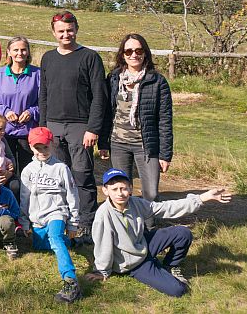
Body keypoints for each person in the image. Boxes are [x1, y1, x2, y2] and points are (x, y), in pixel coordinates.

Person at [86, 168, 231, 297]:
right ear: (105, 191)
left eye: (123, 188)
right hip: (131, 263)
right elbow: (103, 245)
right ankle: (154, 269)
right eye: (115, 189)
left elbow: (166, 208)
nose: (120, 193)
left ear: (130, 188)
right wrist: (102, 271)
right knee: (178, 290)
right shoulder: (103, 215)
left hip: (143, 245)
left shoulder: (136, 203)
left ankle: (171, 265)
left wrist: (202, 198)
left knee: (183, 233)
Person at [39, 11, 107, 244]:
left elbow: (100, 96)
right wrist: (42, 129)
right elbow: (44, 95)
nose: (66, 34)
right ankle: (62, 218)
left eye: (70, 30)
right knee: (59, 176)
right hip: (54, 126)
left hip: (80, 126)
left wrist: (93, 128)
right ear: (54, 32)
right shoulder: (48, 58)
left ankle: (87, 224)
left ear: (76, 29)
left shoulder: (89, 57)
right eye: (61, 31)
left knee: (83, 176)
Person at [99, 34, 173, 220]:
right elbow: (107, 112)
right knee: (121, 192)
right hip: (118, 144)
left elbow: (165, 120)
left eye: (138, 50)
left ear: (145, 53)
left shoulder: (157, 81)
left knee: (151, 193)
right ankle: (126, 228)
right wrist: (103, 142)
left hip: (146, 146)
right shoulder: (114, 78)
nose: (134, 55)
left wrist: (165, 154)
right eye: (129, 51)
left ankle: (149, 231)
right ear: (122, 55)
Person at [19, 127, 82, 304]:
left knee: (55, 238)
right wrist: (24, 222)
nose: (42, 152)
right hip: (37, 218)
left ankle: (70, 279)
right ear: (31, 147)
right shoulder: (27, 171)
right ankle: (71, 242)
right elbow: (24, 198)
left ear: (52, 145)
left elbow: (72, 194)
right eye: (37, 148)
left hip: (57, 213)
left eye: (45, 147)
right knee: (41, 247)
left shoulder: (61, 168)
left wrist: (73, 222)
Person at [0, 36, 40, 173]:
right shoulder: (0, 74)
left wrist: (31, 112)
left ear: (28, 52)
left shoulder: (37, 74)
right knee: (6, 169)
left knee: (28, 170)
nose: (19, 53)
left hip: (28, 131)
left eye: (23, 49)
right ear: (9, 52)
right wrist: (5, 111)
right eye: (16, 50)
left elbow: (45, 102)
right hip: (4, 132)